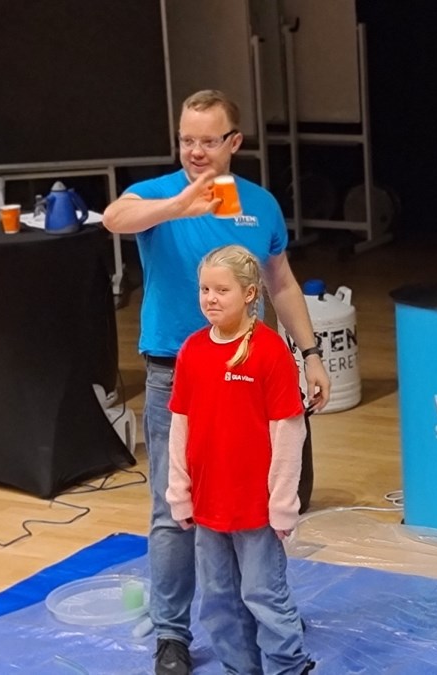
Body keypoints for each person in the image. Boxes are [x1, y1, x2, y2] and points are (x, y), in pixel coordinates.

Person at [102, 89, 329, 675]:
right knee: (173, 506)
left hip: (252, 373)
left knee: (259, 499)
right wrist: (179, 205)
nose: (195, 151)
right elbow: (114, 218)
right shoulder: (158, 194)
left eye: (207, 140)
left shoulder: (261, 205)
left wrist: (310, 353)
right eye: (186, 140)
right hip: (176, 372)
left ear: (234, 142)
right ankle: (171, 633)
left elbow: (281, 282)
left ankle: (268, 615)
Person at [166, 244, 312, 675]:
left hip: (255, 508)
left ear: (249, 294)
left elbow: (289, 432)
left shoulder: (269, 351)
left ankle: (288, 667)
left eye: (221, 290)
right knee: (217, 599)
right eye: (204, 289)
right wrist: (179, 492)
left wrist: (282, 503)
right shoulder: (192, 350)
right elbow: (180, 426)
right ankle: (238, 668)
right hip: (208, 505)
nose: (210, 298)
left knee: (264, 595)